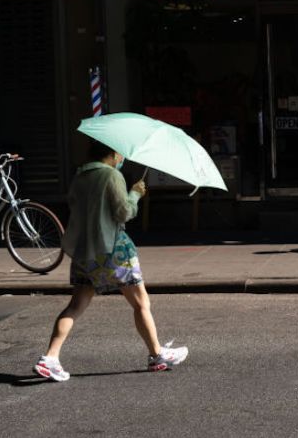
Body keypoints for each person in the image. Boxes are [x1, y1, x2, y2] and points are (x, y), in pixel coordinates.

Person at [33, 139, 188, 382]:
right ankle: (157, 355)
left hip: (86, 250)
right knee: (140, 303)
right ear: (114, 153)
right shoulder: (112, 176)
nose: (123, 157)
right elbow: (124, 212)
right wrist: (135, 194)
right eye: (122, 153)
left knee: (75, 305)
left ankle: (50, 357)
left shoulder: (79, 177)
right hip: (114, 249)